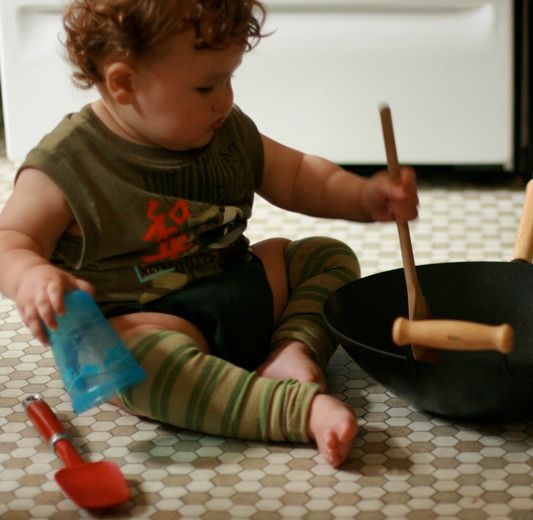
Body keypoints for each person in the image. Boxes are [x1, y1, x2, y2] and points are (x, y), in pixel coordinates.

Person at [0, 0, 418, 468]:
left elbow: (299, 175)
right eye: (206, 85)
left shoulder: (224, 130)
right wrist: (32, 277)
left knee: (326, 256)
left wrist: (364, 198)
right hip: (145, 323)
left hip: (237, 285)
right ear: (124, 83)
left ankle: (291, 349)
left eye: (228, 77)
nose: (226, 98)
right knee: (134, 366)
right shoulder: (68, 164)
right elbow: (9, 239)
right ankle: (291, 410)